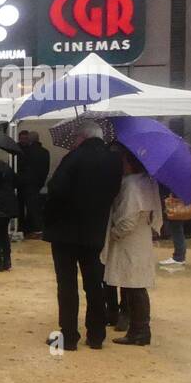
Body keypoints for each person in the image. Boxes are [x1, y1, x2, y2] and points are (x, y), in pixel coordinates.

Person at [42, 122, 124, 350]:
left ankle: (68, 336)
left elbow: (56, 190)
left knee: (67, 285)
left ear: (81, 137)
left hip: (65, 232)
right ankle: (96, 335)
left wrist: (49, 219)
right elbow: (115, 192)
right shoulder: (114, 160)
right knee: (94, 283)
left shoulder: (73, 158)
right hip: (95, 230)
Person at [101, 147, 162, 347]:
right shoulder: (148, 182)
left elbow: (127, 219)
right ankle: (140, 329)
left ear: (130, 162)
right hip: (142, 239)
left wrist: (113, 234)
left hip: (128, 242)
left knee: (133, 286)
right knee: (137, 286)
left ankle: (139, 331)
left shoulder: (130, 185)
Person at [16, 130, 51, 237]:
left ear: (29, 139)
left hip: (24, 183)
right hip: (37, 184)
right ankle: (36, 229)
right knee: (34, 207)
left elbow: (21, 167)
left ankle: (24, 228)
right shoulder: (45, 152)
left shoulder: (26, 152)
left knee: (22, 207)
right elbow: (46, 169)